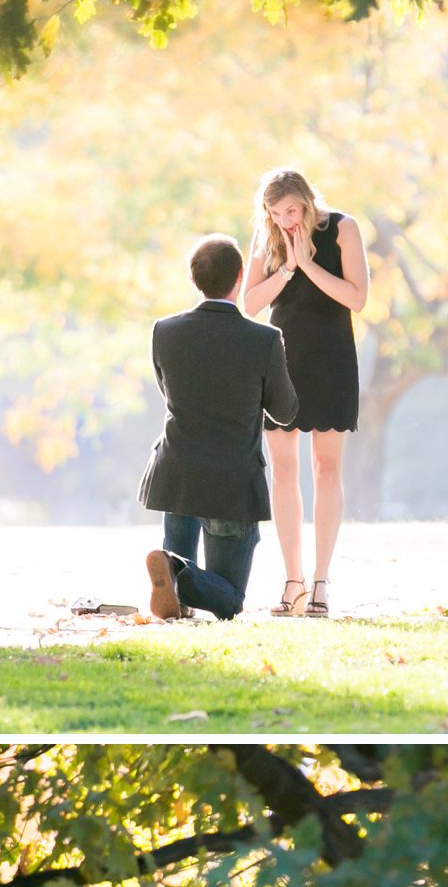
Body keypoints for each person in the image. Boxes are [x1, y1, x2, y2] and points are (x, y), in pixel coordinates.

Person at [138, 232, 298, 622]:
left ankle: (175, 575)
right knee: (229, 602)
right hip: (232, 482)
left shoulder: (165, 331)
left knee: (186, 584)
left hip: (177, 474)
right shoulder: (264, 340)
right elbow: (286, 412)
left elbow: (169, 393)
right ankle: (175, 573)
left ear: (194, 279)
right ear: (240, 276)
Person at [241, 168, 370, 620]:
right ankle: (292, 579)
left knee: (326, 466)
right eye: (275, 214)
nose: (284, 221)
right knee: (282, 470)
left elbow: (357, 298)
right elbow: (249, 304)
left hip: (332, 357)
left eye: (291, 211)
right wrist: (287, 269)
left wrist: (310, 265)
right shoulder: (269, 236)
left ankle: (320, 581)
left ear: (308, 201)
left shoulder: (342, 229)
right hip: (281, 358)